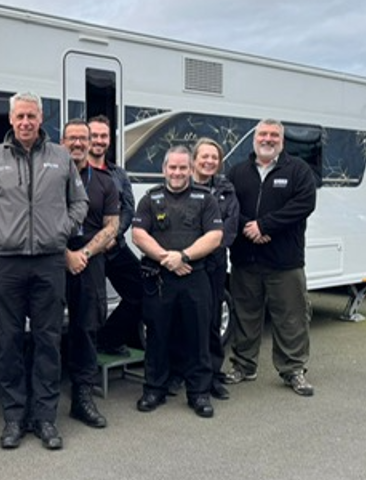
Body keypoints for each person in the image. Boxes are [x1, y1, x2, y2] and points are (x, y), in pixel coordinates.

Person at [0, 92, 88, 450]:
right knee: (8, 342)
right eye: (19, 116)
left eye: (31, 116)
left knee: (48, 341)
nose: (25, 122)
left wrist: (62, 229)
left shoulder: (61, 157)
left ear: (40, 118)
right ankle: (14, 418)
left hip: (50, 262)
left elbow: (79, 201)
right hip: (6, 262)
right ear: (10, 119)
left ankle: (46, 420)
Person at [224, 119, 317, 397]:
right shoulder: (238, 171)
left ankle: (293, 370)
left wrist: (265, 226)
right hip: (245, 259)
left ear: (282, 140)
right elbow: (228, 205)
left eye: (274, 135)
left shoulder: (298, 170)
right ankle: (243, 365)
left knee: (291, 317)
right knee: (245, 316)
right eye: (263, 134)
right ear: (254, 139)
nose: (268, 139)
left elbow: (303, 204)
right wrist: (248, 227)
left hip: (284, 262)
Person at [132, 146, 222, 418]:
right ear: (164, 169)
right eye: (172, 167)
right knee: (157, 335)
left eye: (183, 168)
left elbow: (215, 236)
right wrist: (166, 259)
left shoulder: (206, 199)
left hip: (195, 277)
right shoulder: (150, 199)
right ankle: (154, 389)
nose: (177, 172)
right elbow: (138, 234)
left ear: (190, 169)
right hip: (160, 279)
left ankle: (199, 394)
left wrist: (182, 256)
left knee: (198, 337)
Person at [60, 120, 118, 429]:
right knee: (45, 328)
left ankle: (82, 397)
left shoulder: (105, 182)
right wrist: (65, 254)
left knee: (86, 328)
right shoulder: (49, 175)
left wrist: (83, 254)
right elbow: (38, 220)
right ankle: (38, 397)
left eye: (84, 138)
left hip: (90, 259)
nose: (79, 143)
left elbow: (112, 226)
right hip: (53, 256)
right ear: (62, 140)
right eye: (73, 138)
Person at [87, 115, 144, 356]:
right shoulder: (75, 171)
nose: (99, 141)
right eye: (94, 136)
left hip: (115, 247)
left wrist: (114, 234)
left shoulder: (118, 174)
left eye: (103, 136)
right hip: (88, 252)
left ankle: (109, 339)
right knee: (91, 306)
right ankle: (84, 358)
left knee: (142, 292)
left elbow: (129, 208)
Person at [189, 138, 239, 400]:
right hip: (187, 264)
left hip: (215, 263)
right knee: (184, 319)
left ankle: (212, 376)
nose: (209, 161)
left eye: (214, 158)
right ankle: (183, 373)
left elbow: (230, 228)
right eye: (204, 157)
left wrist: (206, 246)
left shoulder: (226, 190)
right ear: (194, 159)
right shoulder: (181, 187)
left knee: (211, 320)